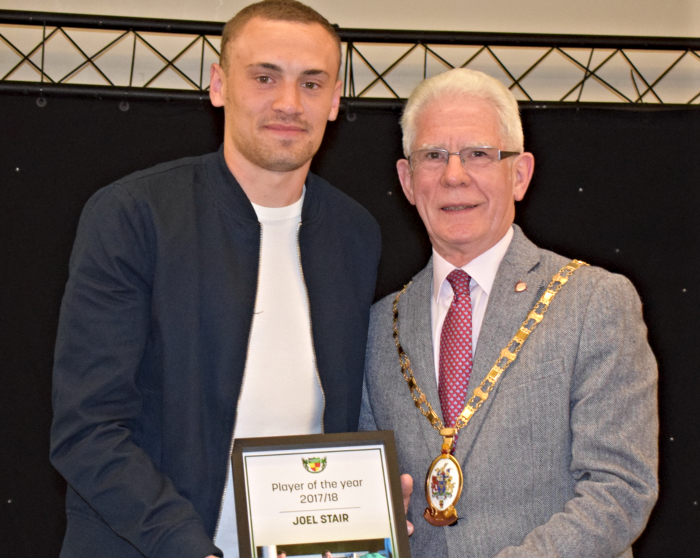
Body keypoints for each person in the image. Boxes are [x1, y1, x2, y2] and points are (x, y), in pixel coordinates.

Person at [49, 2, 380, 558]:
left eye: (311, 82)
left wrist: (367, 505)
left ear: (335, 99)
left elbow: (343, 418)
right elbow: (88, 428)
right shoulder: (135, 214)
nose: (288, 103)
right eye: (264, 77)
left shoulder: (354, 233)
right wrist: (188, 547)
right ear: (219, 85)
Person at [359, 68, 658, 557]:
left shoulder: (594, 301)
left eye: (478, 154)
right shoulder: (377, 326)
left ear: (519, 174)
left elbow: (620, 489)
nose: (454, 175)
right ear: (408, 180)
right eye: (433, 156)